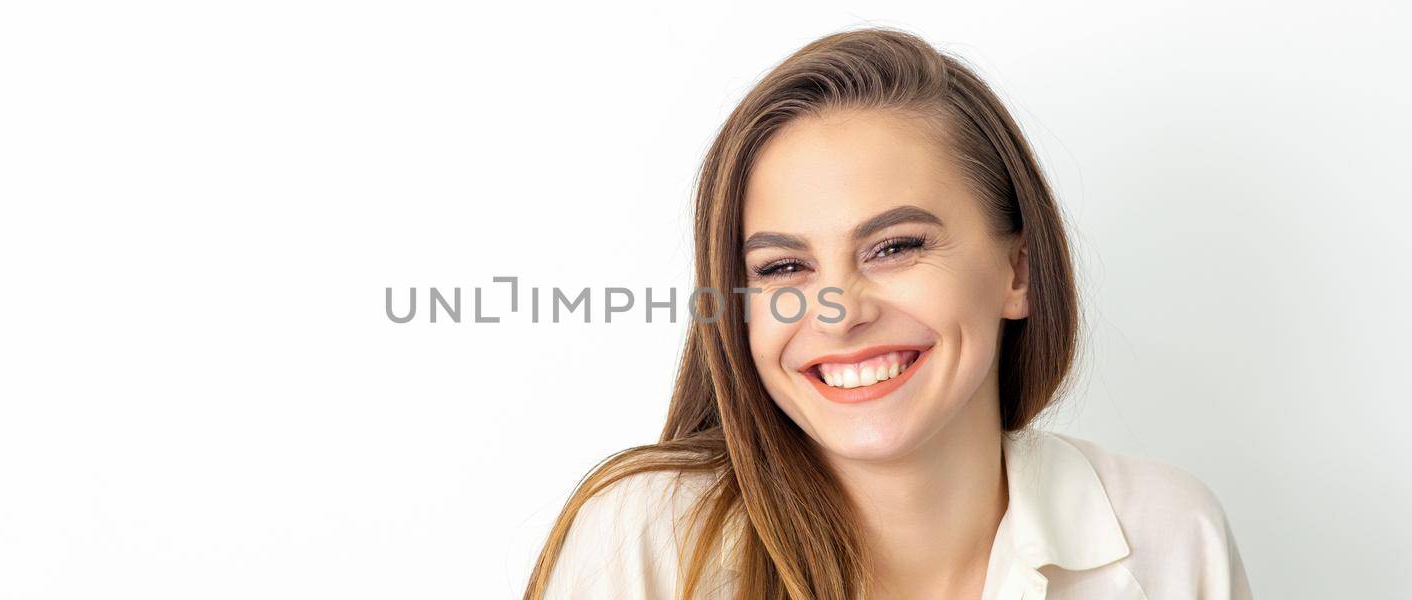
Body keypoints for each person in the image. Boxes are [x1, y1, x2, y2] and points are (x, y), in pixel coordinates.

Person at [524, 27, 1252, 600]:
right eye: (782, 267)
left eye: (895, 246)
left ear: (1017, 272)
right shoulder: (647, 540)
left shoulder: (1168, 535)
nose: (839, 313)